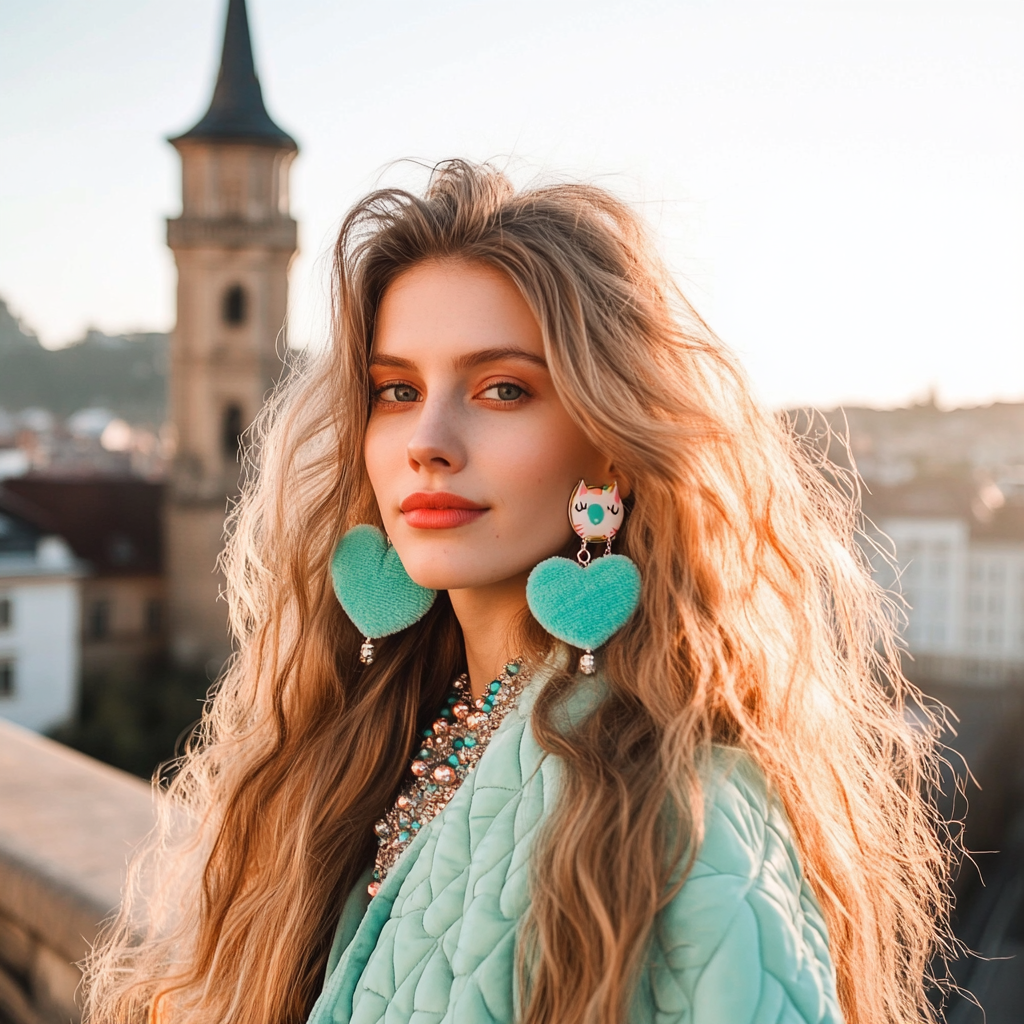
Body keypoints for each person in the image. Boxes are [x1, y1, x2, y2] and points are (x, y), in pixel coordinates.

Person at [85, 160, 952, 1024]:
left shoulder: (686, 811)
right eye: (397, 390)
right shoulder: (369, 735)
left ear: (610, 444)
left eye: (503, 389)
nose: (428, 440)